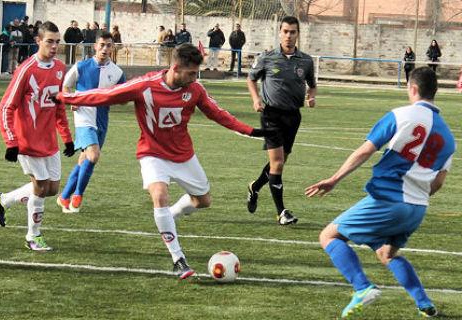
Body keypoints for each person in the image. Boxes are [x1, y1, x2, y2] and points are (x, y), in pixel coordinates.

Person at [54, 43, 274, 279]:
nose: (194, 78)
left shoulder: (195, 90)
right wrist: (66, 97)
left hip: (183, 155)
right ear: (176, 67)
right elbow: (105, 95)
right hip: (152, 153)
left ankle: (172, 214)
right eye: (191, 73)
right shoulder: (144, 86)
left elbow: (218, 114)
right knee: (159, 194)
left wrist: (252, 131)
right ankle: (178, 259)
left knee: (203, 201)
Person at [305, 67, 454, 319]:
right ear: (435, 91)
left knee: (329, 236)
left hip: (389, 199)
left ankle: (362, 287)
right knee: (386, 253)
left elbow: (365, 151)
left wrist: (334, 179)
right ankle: (424, 303)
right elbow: (438, 183)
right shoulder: (449, 138)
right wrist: (415, 194)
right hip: (417, 208)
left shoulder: (401, 115)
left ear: (413, 88)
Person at [0, 33, 126, 216]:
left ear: (113, 48)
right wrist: (73, 100)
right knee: (93, 156)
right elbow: (64, 87)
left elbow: (123, 97)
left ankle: (57, 197)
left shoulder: (117, 72)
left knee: (74, 169)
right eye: (101, 45)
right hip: (83, 119)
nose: (104, 49)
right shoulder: (81, 67)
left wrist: (113, 96)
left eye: (108, 46)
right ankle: (76, 196)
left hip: (102, 120)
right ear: (95, 46)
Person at [0, 21, 75, 251]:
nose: (54, 46)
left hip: (49, 140)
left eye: (57, 42)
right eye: (49, 41)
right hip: (27, 141)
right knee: (40, 188)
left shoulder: (60, 67)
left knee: (51, 190)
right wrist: (11, 143)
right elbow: (5, 107)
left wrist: (67, 137)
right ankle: (33, 236)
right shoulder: (26, 69)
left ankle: (5, 200)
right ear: (38, 41)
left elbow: (59, 106)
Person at [245, 16, 316, 225]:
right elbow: (251, 78)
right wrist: (256, 99)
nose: (289, 35)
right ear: (279, 33)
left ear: (298, 34)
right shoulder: (267, 57)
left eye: (293, 32)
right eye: (285, 31)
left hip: (293, 116)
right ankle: (281, 212)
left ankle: (255, 187)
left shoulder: (306, 60)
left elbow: (312, 84)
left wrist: (311, 96)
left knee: (280, 161)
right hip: (271, 115)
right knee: (277, 164)